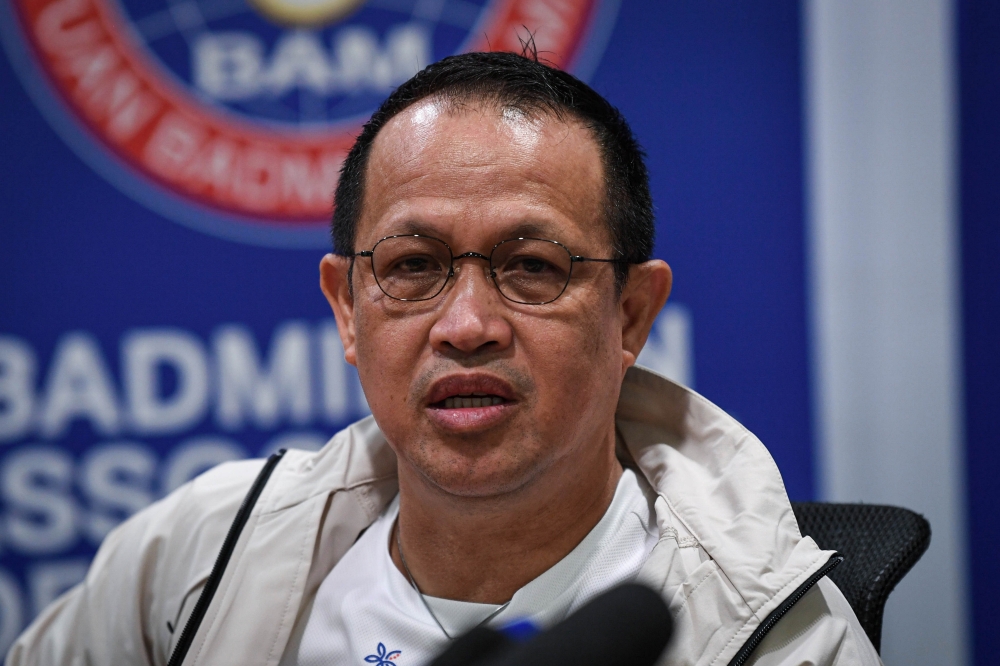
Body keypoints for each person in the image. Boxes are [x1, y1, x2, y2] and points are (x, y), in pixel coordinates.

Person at [6, 50, 881, 666]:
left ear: (631, 314)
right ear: (347, 311)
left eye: (532, 268)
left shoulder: (789, 641)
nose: (466, 324)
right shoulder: (193, 556)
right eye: (413, 267)